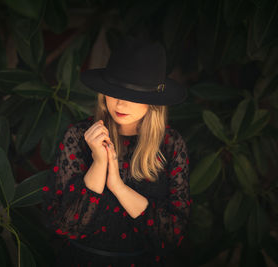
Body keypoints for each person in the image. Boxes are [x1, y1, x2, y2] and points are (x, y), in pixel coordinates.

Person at [42, 36, 191, 267]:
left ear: (153, 101)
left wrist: (118, 187)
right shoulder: (79, 136)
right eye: (114, 92)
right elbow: (65, 226)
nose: (120, 104)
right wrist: (99, 163)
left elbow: (172, 234)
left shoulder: (171, 145)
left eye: (133, 96)